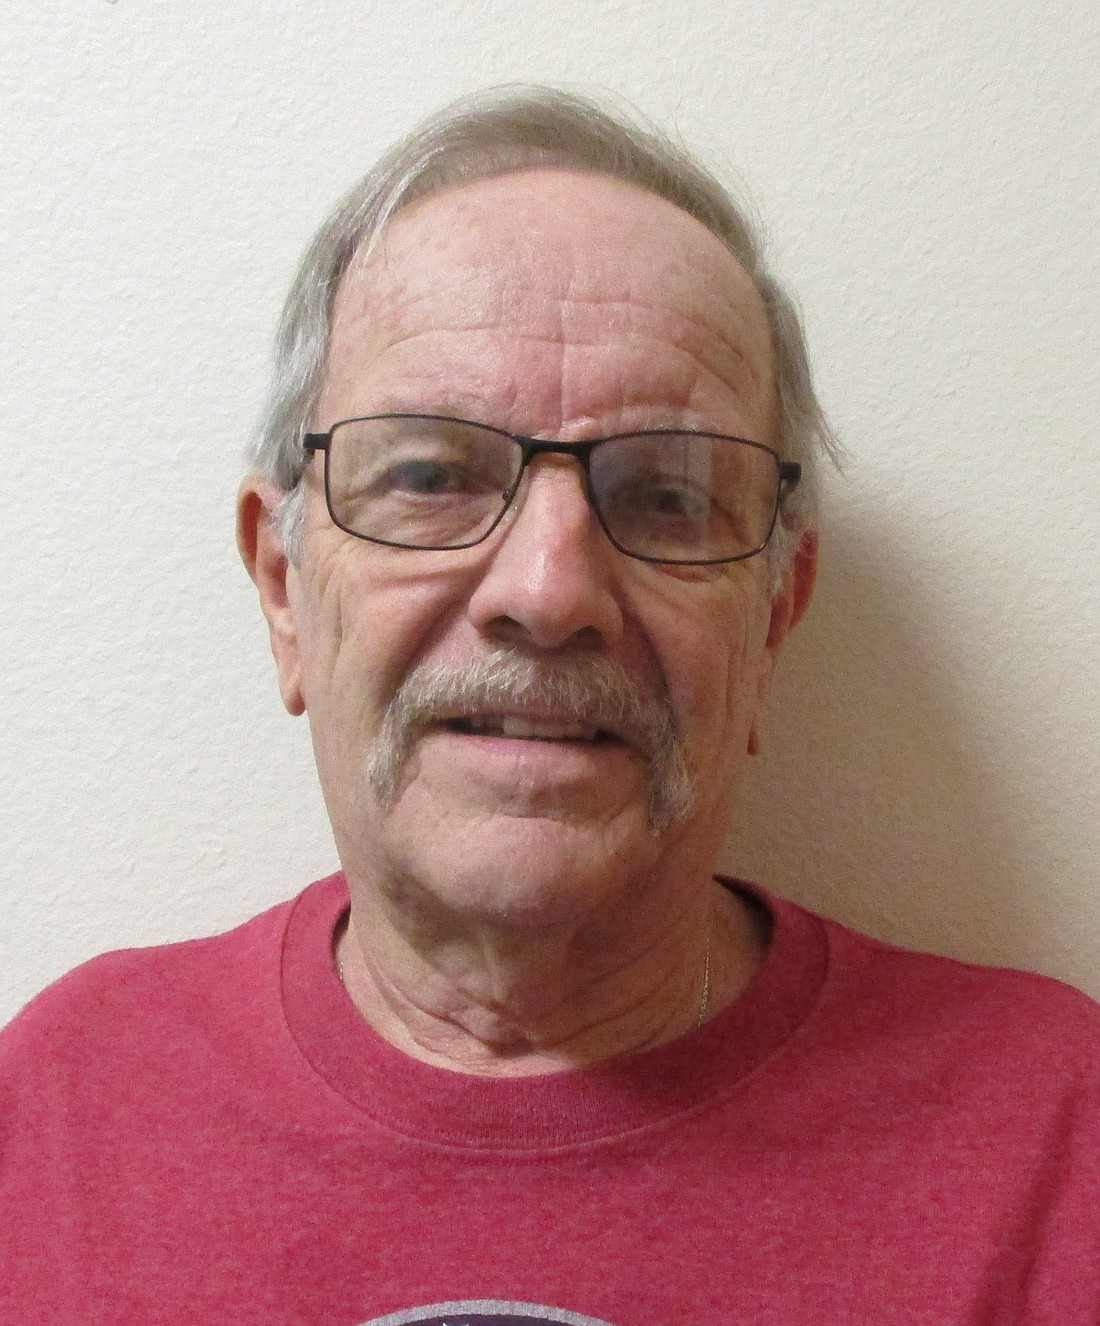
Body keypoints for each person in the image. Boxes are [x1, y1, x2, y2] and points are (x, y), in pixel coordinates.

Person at [2, 87, 1099, 1326]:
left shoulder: (1058, 1148)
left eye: (667, 494)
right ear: (283, 590)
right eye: (430, 473)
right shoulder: (57, 1117)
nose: (547, 590)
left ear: (770, 621)